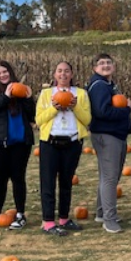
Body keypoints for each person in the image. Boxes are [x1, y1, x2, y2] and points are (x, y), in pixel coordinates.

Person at [0, 60, 36, 231]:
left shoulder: (21, 90)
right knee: (0, 179)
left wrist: (28, 98)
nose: (2, 75)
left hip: (20, 141)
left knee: (18, 178)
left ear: (10, 72)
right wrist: (5, 97)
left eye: (5, 72)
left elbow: (33, 115)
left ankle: (20, 214)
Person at [35, 61, 91, 236]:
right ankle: (48, 221)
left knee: (66, 182)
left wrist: (74, 107)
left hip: (72, 143)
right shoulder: (46, 94)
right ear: (54, 75)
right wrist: (54, 108)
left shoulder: (81, 94)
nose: (63, 74)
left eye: (67, 71)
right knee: (48, 182)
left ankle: (64, 218)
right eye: (59, 71)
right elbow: (39, 120)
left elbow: (87, 119)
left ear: (72, 74)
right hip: (50, 143)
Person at [87, 53, 131, 234]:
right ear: (95, 68)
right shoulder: (99, 86)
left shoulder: (109, 85)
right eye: (101, 63)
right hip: (107, 135)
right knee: (110, 177)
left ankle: (101, 212)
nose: (106, 65)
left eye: (108, 62)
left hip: (116, 135)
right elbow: (103, 112)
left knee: (107, 176)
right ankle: (109, 219)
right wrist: (126, 109)